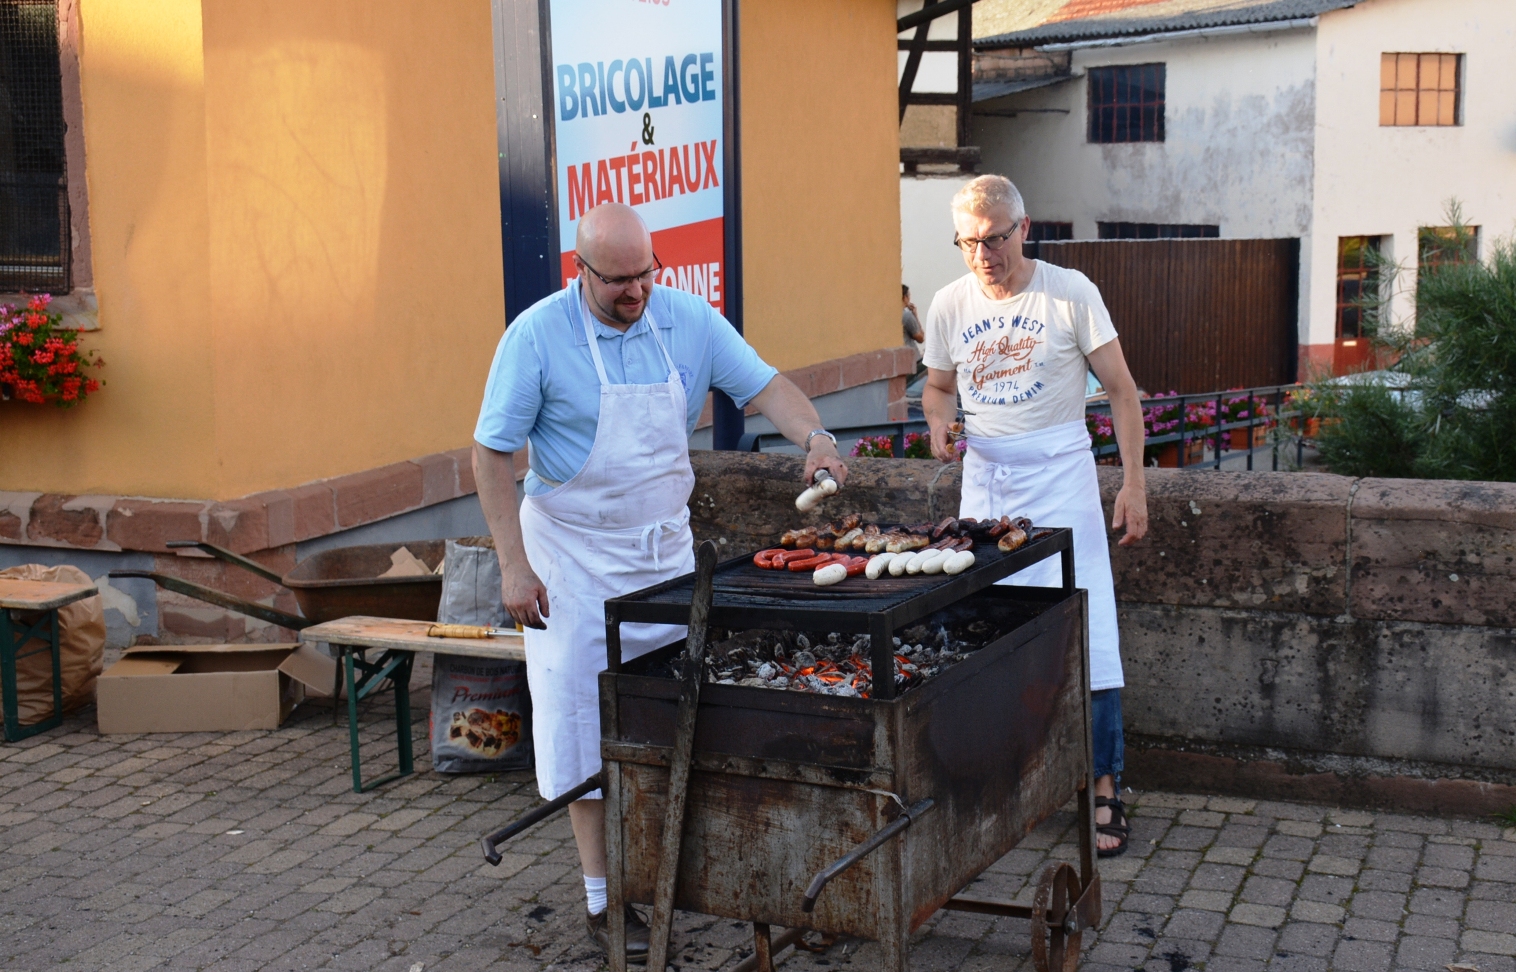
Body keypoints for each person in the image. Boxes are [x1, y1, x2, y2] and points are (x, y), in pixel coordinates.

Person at [472, 203, 848, 963]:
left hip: (663, 555)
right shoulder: (537, 337)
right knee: (583, 722)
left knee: (678, 715)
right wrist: (514, 564)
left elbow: (767, 386)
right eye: (618, 281)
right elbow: (490, 455)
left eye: (646, 273)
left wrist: (816, 437)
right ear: (584, 273)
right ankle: (604, 900)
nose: (636, 291)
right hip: (570, 559)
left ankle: (679, 869)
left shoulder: (687, 321)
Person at [920, 175, 1148, 857]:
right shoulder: (948, 305)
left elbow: (1123, 391)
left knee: (1090, 629)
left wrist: (1134, 484)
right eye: (969, 242)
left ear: (1024, 228)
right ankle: (1002, 773)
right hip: (986, 485)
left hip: (1062, 476)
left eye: (995, 238)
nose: (984, 254)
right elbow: (936, 389)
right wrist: (939, 426)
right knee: (989, 631)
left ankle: (1104, 786)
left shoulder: (1069, 293)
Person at [902, 284, 924, 348]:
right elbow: (921, 338)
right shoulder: (907, 316)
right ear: (905, 297)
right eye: (908, 296)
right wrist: (915, 316)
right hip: (911, 355)